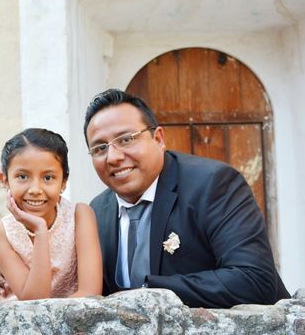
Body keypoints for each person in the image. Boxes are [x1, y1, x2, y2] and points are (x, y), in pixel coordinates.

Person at [84, 89, 289, 308]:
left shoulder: (213, 184)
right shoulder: (97, 211)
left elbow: (254, 280)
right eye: (100, 148)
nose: (113, 157)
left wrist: (148, 293)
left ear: (158, 138)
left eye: (126, 139)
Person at [0, 128, 102, 300]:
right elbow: (34, 302)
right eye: (22, 176)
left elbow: (90, 293)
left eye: (48, 178)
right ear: (5, 180)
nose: (35, 190)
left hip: (76, 320)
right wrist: (40, 230)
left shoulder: (80, 216)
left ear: (63, 182)